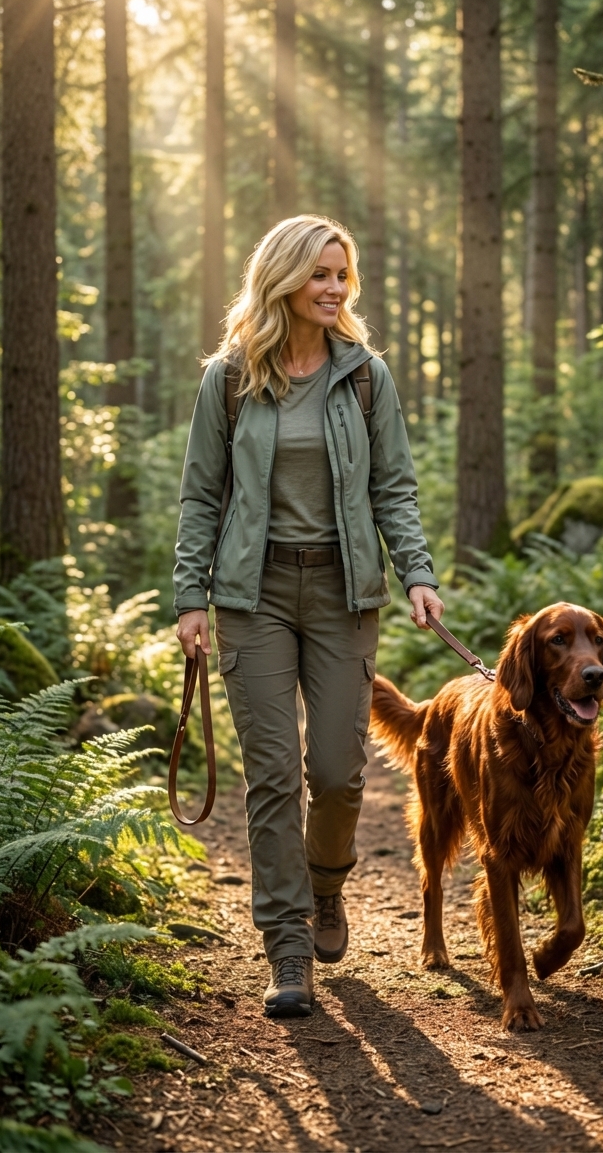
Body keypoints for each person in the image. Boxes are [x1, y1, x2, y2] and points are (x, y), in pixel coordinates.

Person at [173, 214, 444, 1019]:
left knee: (335, 772)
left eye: (341, 276)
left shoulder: (364, 377)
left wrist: (417, 575)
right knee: (270, 777)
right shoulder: (228, 378)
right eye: (320, 274)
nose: (334, 289)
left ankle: (327, 888)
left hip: (341, 595)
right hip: (249, 598)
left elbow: (394, 486)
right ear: (284, 278)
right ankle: (287, 946)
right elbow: (201, 494)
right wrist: (191, 595)